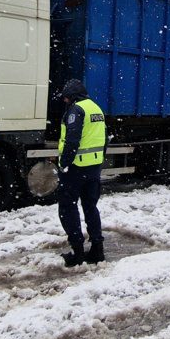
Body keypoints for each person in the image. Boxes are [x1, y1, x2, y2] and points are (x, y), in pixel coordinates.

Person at [55, 79, 106, 266]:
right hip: (94, 167)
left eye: (66, 97)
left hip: (76, 167)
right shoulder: (96, 108)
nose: (64, 100)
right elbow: (104, 139)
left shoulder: (76, 110)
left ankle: (76, 252)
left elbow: (72, 140)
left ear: (72, 96)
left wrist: (64, 164)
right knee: (90, 206)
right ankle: (97, 249)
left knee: (67, 207)